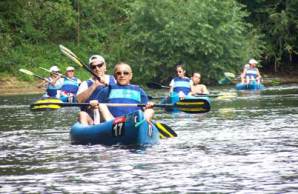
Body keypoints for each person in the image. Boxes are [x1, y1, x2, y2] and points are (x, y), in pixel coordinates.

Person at [79, 62, 154, 125]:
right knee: (100, 106)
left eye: (125, 73)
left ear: (130, 76)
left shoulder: (139, 91)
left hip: (133, 122)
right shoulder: (107, 90)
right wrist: (93, 105)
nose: (122, 75)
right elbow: (93, 109)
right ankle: (113, 126)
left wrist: (149, 105)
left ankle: (142, 125)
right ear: (115, 76)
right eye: (119, 73)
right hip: (111, 122)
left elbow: (145, 107)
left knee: (150, 111)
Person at [77, 55, 116, 125]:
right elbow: (79, 100)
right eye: (93, 67)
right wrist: (95, 85)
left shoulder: (114, 80)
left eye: (100, 65)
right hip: (93, 118)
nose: (97, 69)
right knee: (82, 114)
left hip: (112, 116)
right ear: (90, 69)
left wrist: (109, 86)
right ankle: (86, 133)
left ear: (105, 66)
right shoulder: (85, 84)